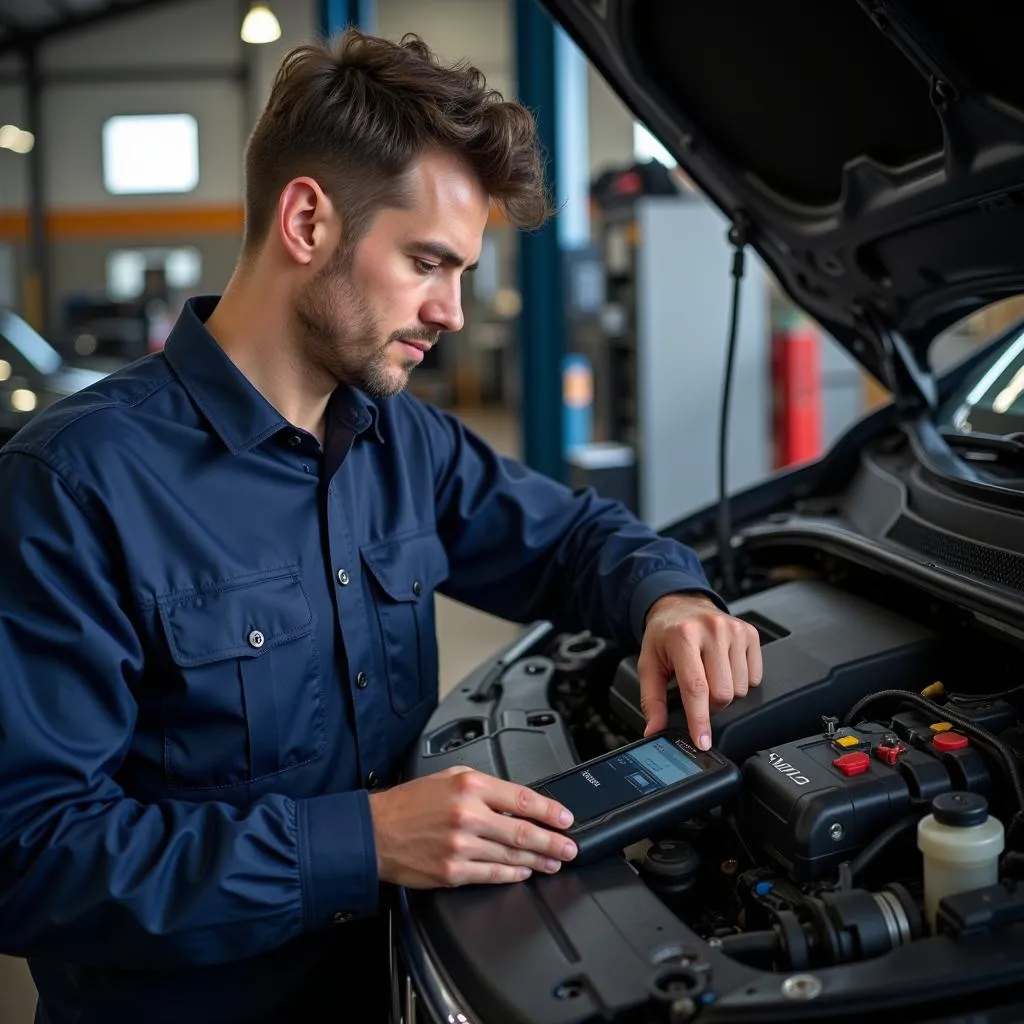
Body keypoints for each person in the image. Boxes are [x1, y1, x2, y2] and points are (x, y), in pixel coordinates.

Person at [0, 29, 762, 1024]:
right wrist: (358, 844)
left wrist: (670, 593)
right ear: (308, 220)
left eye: (464, 272)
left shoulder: (407, 443)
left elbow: (573, 538)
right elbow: (27, 850)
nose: (452, 311)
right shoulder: (76, 484)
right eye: (427, 263)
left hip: (409, 986)